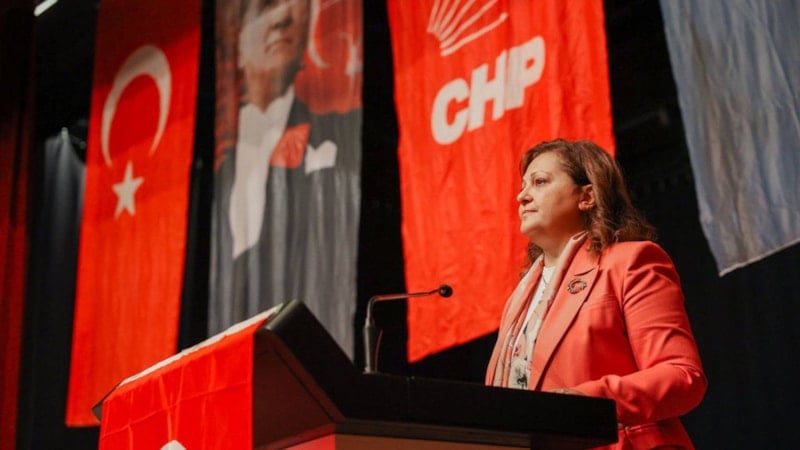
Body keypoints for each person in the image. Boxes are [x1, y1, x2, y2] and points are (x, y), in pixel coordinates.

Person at [485, 139, 706, 449]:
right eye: (523, 186)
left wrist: (586, 401)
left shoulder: (630, 262)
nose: (522, 196)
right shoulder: (519, 299)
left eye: (540, 182)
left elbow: (682, 376)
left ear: (587, 196)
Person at [210, 0, 361, 356]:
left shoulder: (335, 144)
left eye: (298, 4)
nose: (284, 17)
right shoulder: (217, 177)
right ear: (235, 39)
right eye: (266, 6)